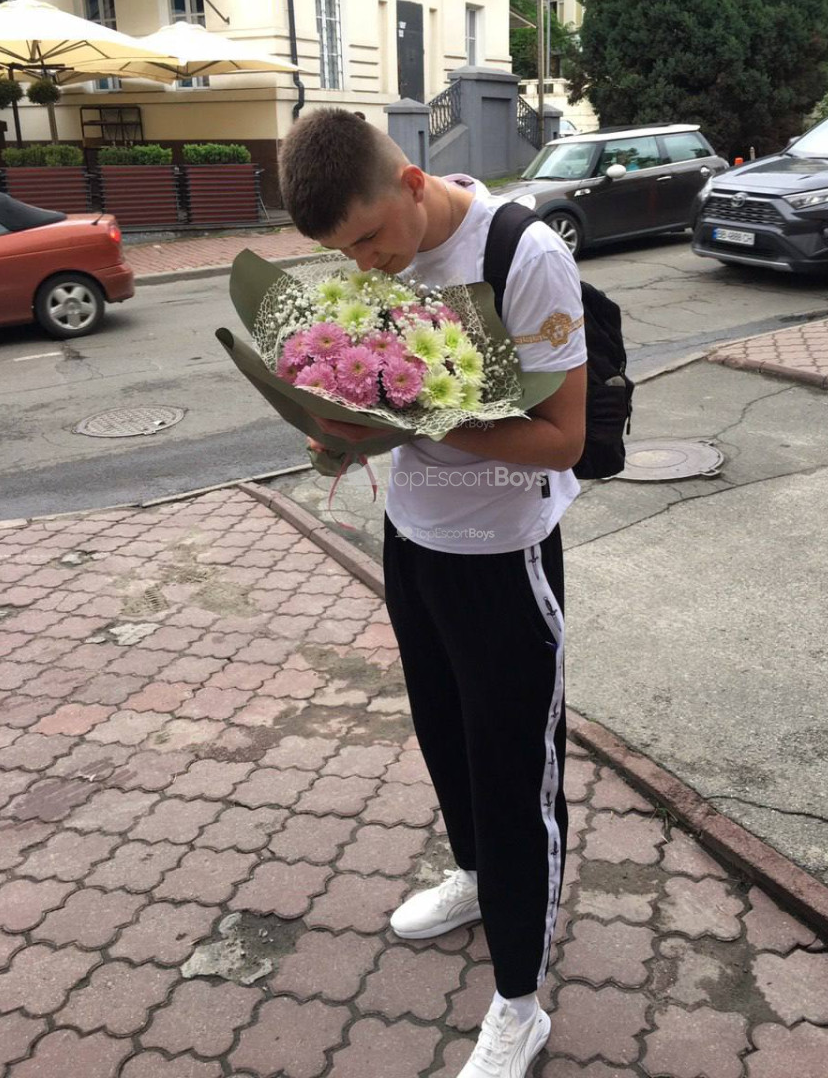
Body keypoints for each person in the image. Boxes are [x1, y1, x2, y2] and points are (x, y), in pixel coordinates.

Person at [278, 109, 586, 1078]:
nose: (365, 265)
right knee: (443, 734)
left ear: (412, 182)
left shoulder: (523, 254)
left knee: (513, 779)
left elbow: (564, 438)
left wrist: (422, 415)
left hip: (504, 555)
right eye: (344, 254)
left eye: (370, 239)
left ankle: (520, 1004)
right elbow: (376, 403)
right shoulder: (384, 261)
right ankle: (475, 876)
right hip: (413, 542)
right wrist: (340, 430)